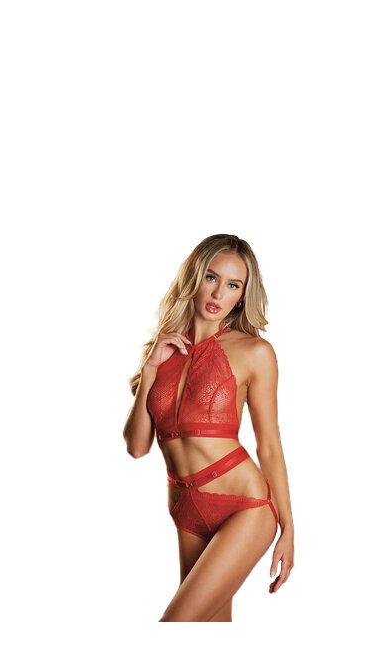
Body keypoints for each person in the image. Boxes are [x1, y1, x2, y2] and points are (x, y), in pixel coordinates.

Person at [124, 235, 295, 622]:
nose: (219, 293)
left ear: (243, 295)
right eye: (212, 278)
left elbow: (269, 445)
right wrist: (150, 370)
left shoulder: (255, 352)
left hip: (244, 505)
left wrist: (288, 527)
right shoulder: (161, 351)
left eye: (233, 285)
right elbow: (137, 446)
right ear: (194, 277)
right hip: (185, 507)